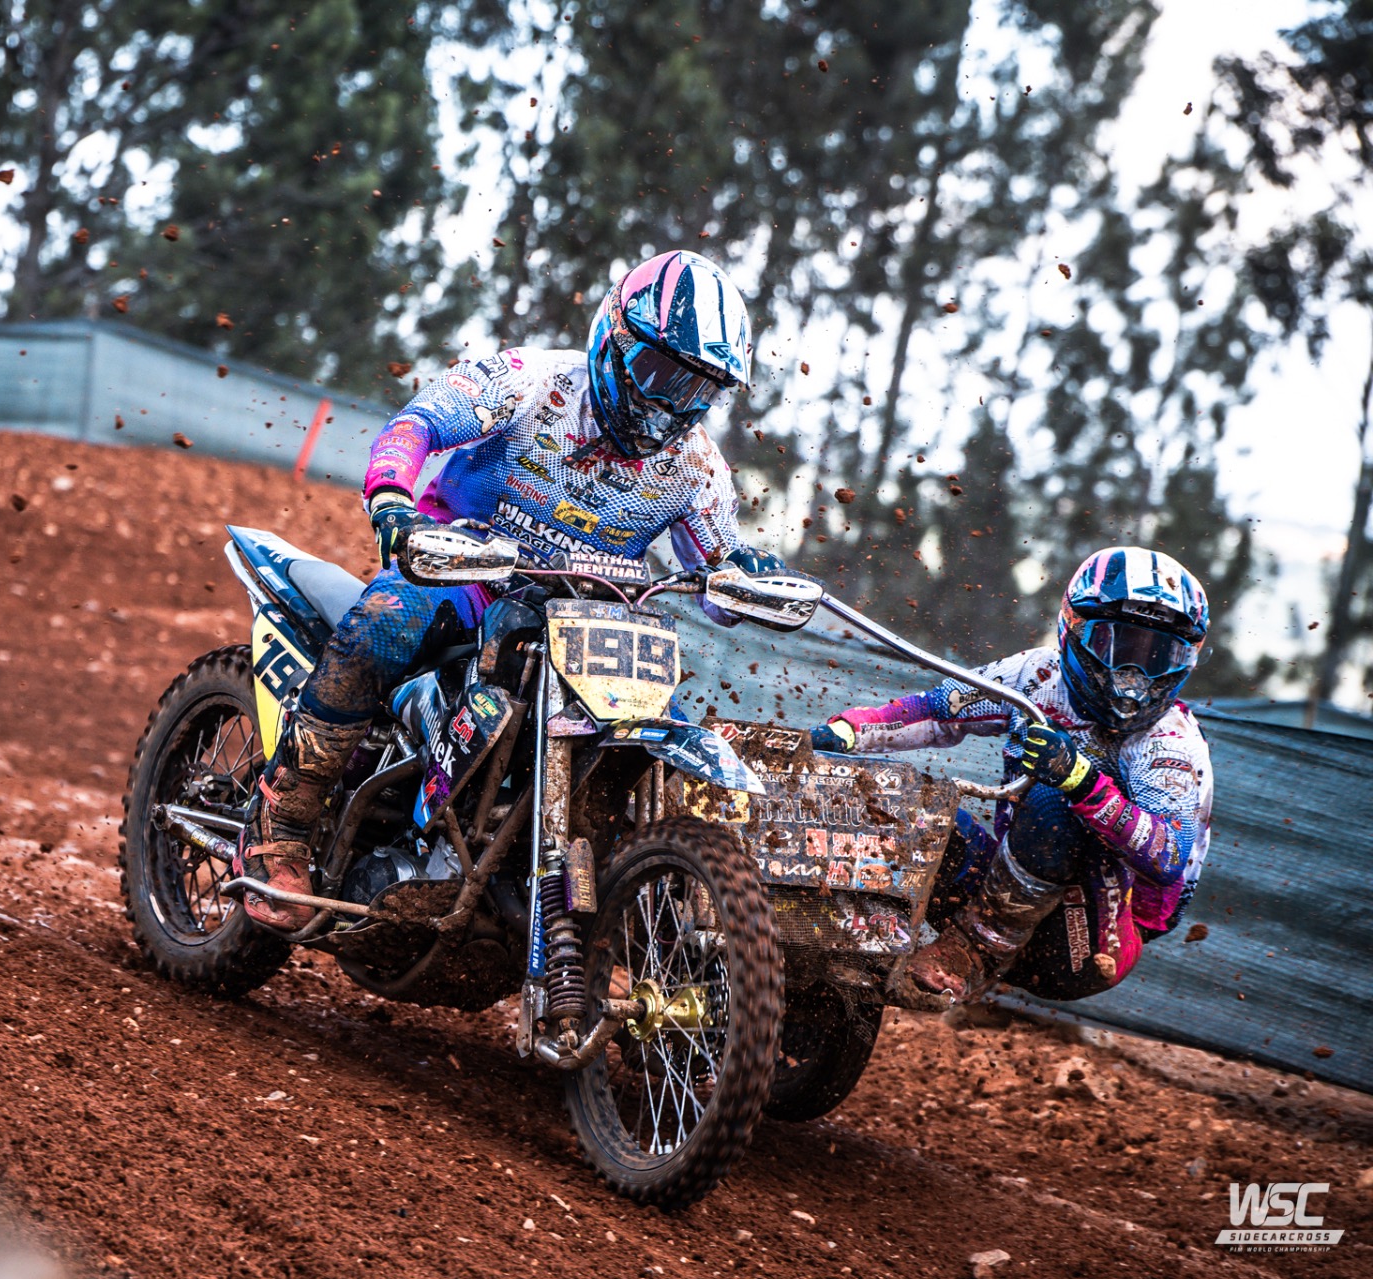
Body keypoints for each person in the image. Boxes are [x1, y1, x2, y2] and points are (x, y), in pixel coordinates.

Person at [237, 250, 779, 929]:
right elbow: (417, 426)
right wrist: (393, 501)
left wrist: (746, 575)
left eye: (699, 389)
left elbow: (717, 576)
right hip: (464, 572)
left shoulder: (697, 469)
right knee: (383, 624)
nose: (673, 402)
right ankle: (282, 818)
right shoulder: (532, 382)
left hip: (584, 621)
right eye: (661, 373)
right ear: (615, 339)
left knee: (650, 718)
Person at [808, 547, 1215, 1005]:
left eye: (1159, 655)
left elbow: (1167, 858)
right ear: (1075, 627)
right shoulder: (1037, 674)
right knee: (915, 812)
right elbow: (938, 710)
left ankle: (974, 952)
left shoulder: (1170, 742)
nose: (1134, 676)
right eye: (1119, 645)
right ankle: (850, 942)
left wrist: (1080, 780)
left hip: (1092, 944)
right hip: (1007, 885)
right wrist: (847, 732)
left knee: (1053, 799)